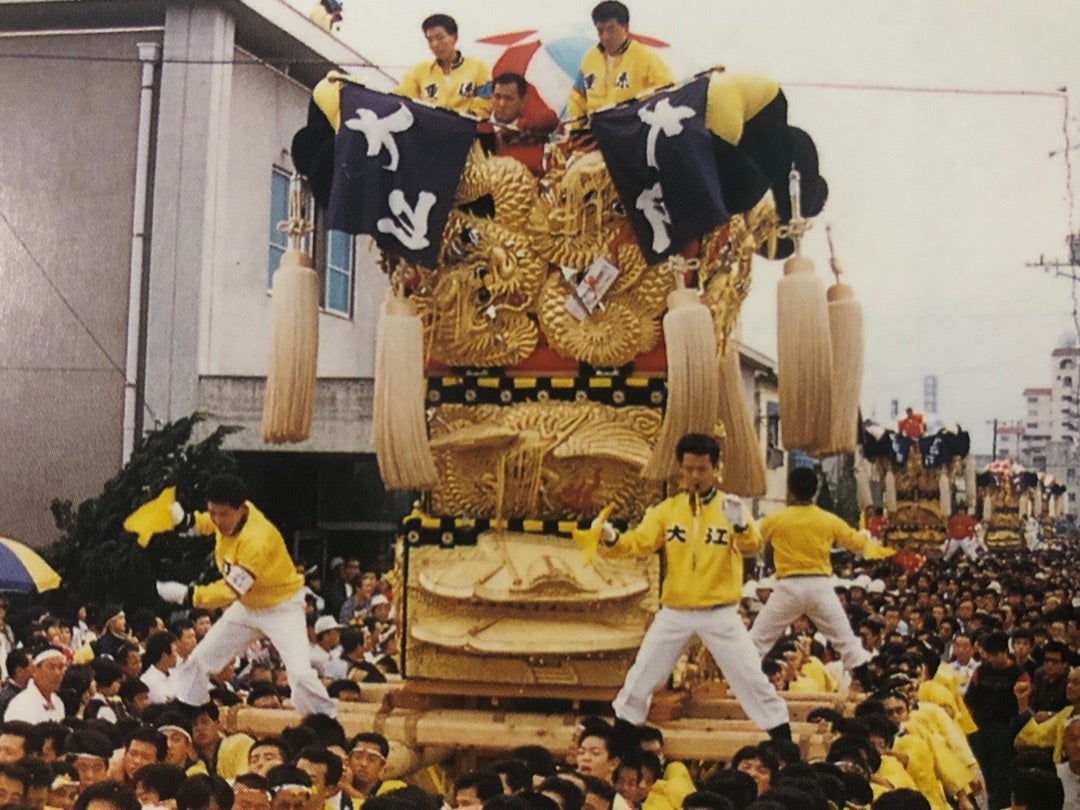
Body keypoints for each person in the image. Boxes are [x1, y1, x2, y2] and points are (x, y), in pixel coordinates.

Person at [579, 432, 790, 739]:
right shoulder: (667, 510)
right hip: (676, 610)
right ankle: (622, 736)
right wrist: (612, 538)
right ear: (680, 468)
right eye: (688, 469)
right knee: (642, 674)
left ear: (715, 469)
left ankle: (781, 736)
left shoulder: (731, 507)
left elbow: (752, 546)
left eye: (702, 469)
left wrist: (740, 524)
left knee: (749, 676)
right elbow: (640, 542)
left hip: (719, 612)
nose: (695, 476)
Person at [153, 474, 336, 717]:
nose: (217, 520)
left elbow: (230, 590)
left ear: (241, 509)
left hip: (282, 608)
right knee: (198, 660)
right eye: (212, 512)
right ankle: (189, 712)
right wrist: (187, 520)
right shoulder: (228, 516)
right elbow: (208, 522)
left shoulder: (257, 539)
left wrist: (188, 595)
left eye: (223, 514)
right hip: (247, 606)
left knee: (301, 675)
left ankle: (326, 719)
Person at [748, 467, 892, 689]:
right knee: (847, 643)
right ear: (814, 492)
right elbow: (855, 544)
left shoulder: (777, 518)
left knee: (757, 641)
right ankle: (869, 687)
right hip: (820, 586)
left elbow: (750, 540)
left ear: (790, 491)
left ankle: (740, 685)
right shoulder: (827, 519)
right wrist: (865, 534)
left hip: (788, 587)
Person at [566, 1, 674, 125]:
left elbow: (669, 90)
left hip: (629, 129)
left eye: (611, 29)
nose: (605, 37)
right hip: (595, 130)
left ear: (625, 28)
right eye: (600, 31)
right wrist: (577, 129)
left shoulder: (644, 57)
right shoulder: (590, 58)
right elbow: (577, 97)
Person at [394, 13, 491, 117]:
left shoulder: (478, 67)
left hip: (465, 125)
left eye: (439, 38)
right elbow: (401, 98)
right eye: (430, 40)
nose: (434, 44)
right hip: (429, 124)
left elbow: (486, 101)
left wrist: (466, 119)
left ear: (455, 37)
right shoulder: (419, 71)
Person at [480, 72, 558, 177]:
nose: (502, 104)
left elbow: (551, 120)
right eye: (497, 97)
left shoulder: (532, 136)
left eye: (509, 98)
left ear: (523, 102)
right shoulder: (477, 129)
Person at [4, 646, 67, 723]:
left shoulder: (58, 702)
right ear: (34, 670)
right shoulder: (21, 705)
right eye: (51, 667)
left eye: (61, 667)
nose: (57, 673)